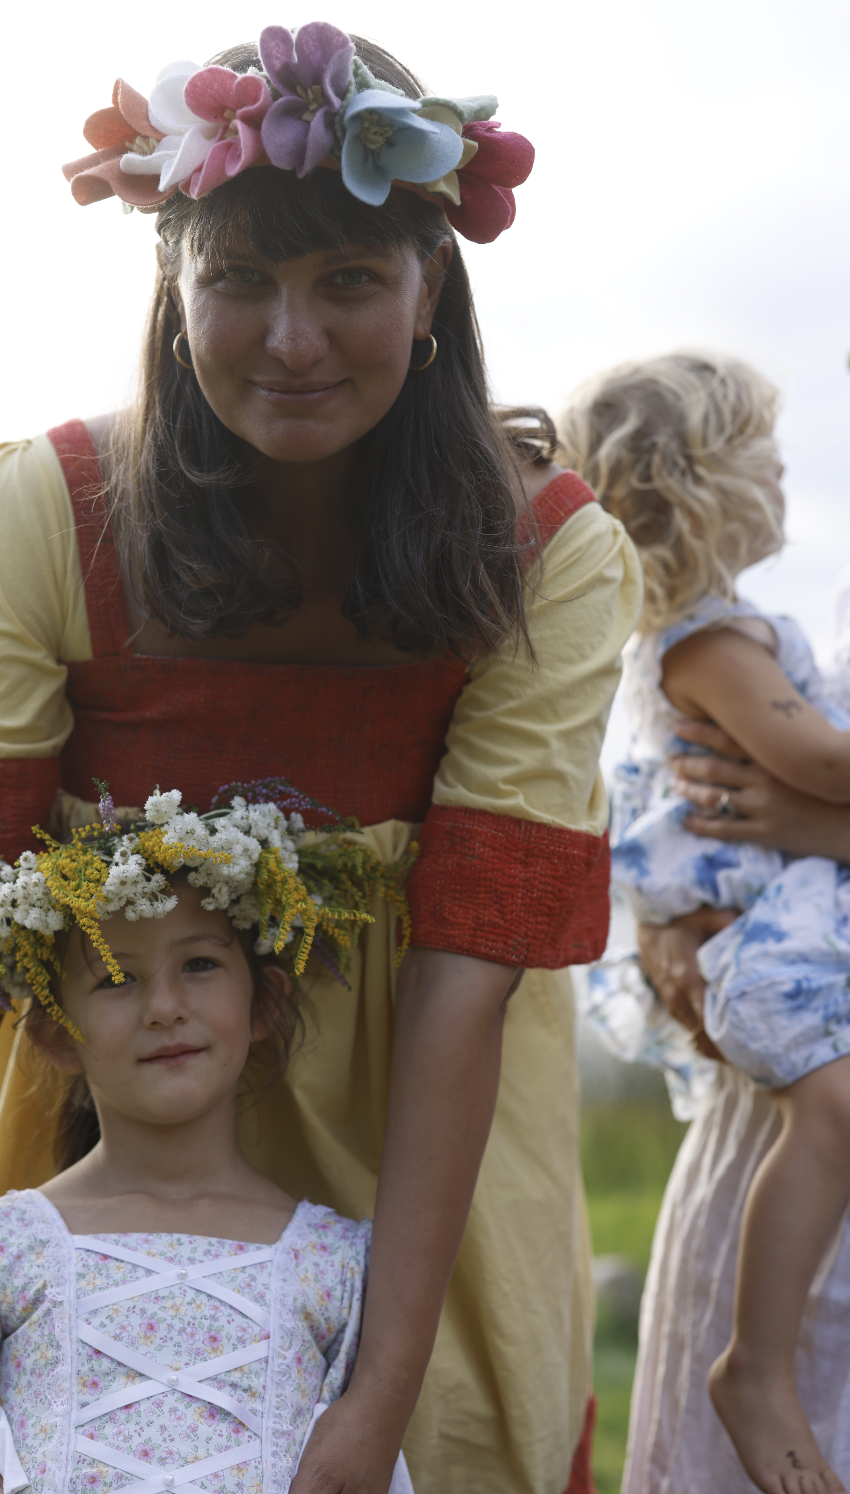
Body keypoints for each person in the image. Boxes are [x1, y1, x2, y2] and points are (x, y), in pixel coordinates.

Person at [0, 25, 643, 1494]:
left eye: (348, 279)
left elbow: (470, 969)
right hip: (100, 1138)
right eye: (239, 280)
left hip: (424, 1167)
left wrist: (378, 1382)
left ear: (427, 299)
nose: (292, 339)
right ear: (173, 289)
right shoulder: (51, 511)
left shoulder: (546, 554)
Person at [0, 780, 417, 1494]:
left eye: (199, 964)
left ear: (265, 1002)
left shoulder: (340, 1268)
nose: (164, 1007)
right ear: (55, 1034)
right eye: (116, 976)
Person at [561, 353, 850, 1494]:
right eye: (758, 453)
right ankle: (758, 1367)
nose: (785, 469)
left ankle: (757, 1367)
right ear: (696, 492)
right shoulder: (717, 643)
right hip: (779, 988)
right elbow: (812, 763)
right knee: (828, 1114)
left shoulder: (724, 640)